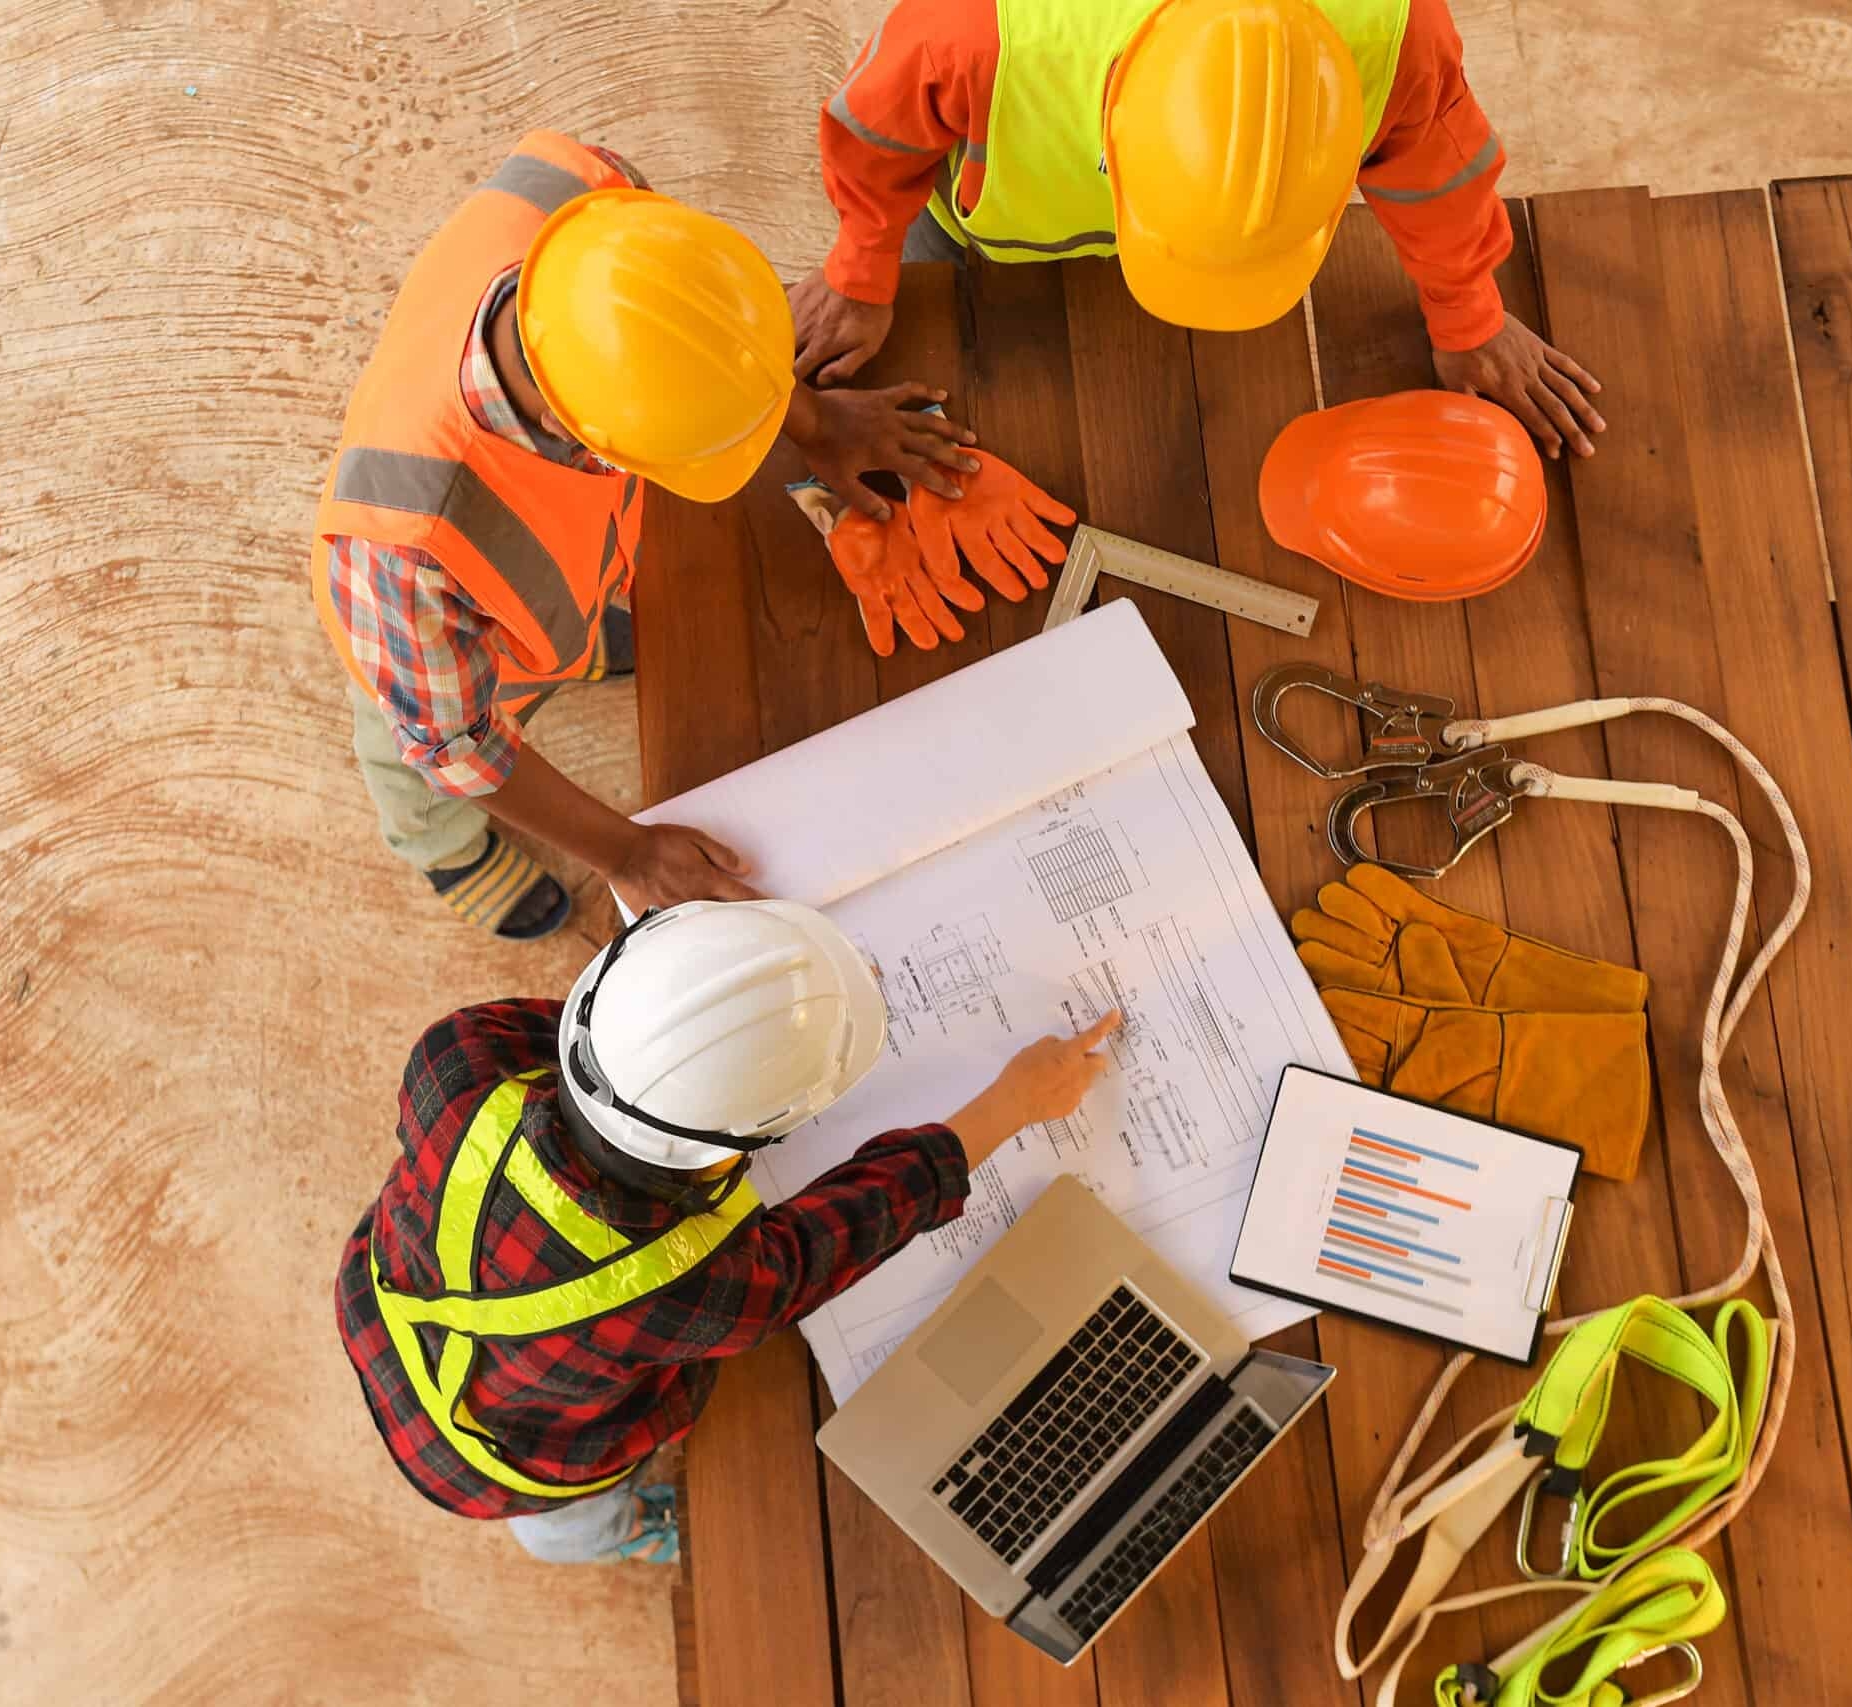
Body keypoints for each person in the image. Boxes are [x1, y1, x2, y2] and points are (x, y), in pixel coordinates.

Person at [316, 132, 982, 942]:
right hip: (444, 664)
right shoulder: (404, 554)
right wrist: (624, 851)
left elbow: (691, 329)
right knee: (416, 773)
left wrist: (811, 418)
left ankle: (581, 642)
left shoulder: (585, 189)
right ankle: (441, 847)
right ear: (585, 438)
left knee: (573, 618)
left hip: (558, 587)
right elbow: (457, 744)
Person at [334, 898, 1125, 1562]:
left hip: (385, 1322)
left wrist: (765, 1030)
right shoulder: (696, 1288)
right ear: (743, 1144)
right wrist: (1012, 1104)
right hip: (510, 1465)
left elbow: (615, 1050)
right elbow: (854, 1224)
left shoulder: (458, 1062)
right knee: (563, 1529)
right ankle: (621, 1533)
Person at [789, 0, 1609, 461]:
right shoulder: (973, 34)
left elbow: (1441, 167)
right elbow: (874, 133)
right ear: (1111, 141)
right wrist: (862, 265)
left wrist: (1467, 314)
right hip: (971, 234)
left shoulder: (1396, 34)